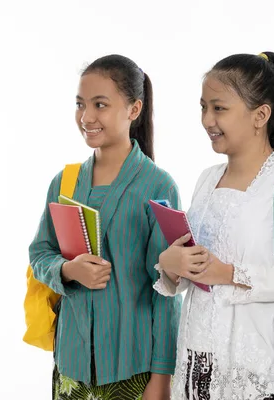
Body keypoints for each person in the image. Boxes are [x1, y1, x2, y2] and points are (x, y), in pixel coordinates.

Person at [154, 52, 274, 400]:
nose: (207, 119)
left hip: (247, 374)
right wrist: (171, 266)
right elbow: (195, 270)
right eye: (203, 107)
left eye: (219, 108)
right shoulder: (207, 180)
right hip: (194, 367)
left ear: (261, 115)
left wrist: (231, 274)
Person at [29, 54, 182, 400]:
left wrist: (162, 378)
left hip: (133, 368)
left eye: (100, 104)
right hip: (71, 366)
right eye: (80, 104)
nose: (86, 117)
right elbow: (39, 252)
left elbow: (168, 292)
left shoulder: (158, 187)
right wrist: (66, 270)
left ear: (134, 109)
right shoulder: (64, 182)